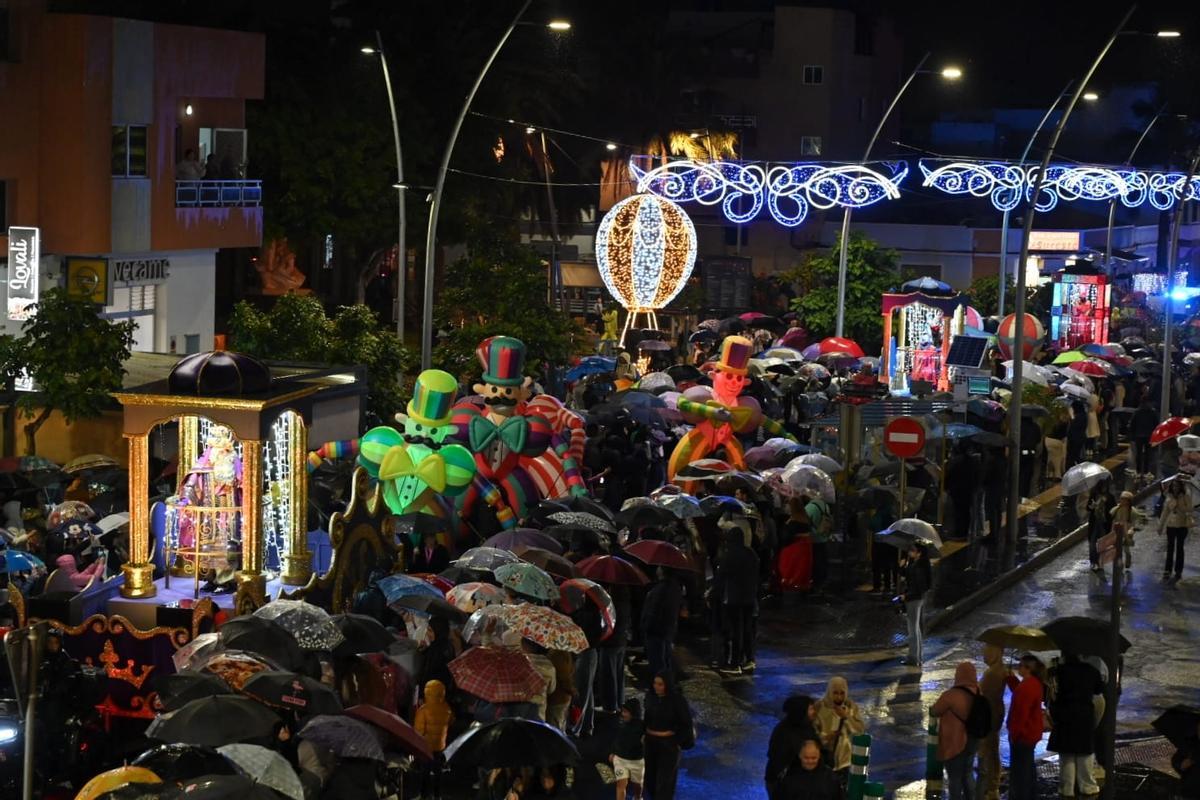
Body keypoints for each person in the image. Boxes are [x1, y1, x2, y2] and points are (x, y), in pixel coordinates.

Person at [1047, 652, 1105, 799]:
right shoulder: (1091, 670)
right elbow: (1099, 689)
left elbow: (1050, 693)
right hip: (1084, 716)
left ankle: (1067, 788)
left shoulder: (1057, 671)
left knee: (1067, 754)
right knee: (1084, 752)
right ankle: (1088, 786)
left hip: (1064, 715)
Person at [713, 523, 759, 675]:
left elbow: (720, 578)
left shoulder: (729, 555)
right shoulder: (751, 554)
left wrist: (714, 594)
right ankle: (750, 660)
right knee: (747, 629)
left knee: (735, 631)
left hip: (733, 598)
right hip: (750, 597)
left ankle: (735, 663)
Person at [930, 661, 981, 800]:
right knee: (968, 773)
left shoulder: (951, 695)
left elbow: (935, 711)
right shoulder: (979, 692)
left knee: (955, 778)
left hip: (955, 742)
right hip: (973, 740)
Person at [643, 672, 693, 800]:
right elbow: (646, 718)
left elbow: (686, 724)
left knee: (665, 782)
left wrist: (676, 741)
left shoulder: (677, 701)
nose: (656, 687)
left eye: (660, 684)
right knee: (650, 778)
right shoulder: (650, 697)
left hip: (668, 745)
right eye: (655, 683)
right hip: (651, 743)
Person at [1005, 654, 1047, 800]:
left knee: (1020, 772)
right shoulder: (1033, 683)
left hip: (1023, 735)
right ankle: (1030, 795)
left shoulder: (1027, 687)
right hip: (1031, 733)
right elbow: (1019, 692)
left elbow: (1021, 714)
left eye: (1020, 665)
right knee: (1028, 767)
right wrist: (1011, 679)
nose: (1018, 667)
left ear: (1027, 668)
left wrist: (1014, 735)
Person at [765, 695, 818, 800]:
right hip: (784, 786)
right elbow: (778, 762)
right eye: (811, 709)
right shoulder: (783, 733)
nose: (814, 712)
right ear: (801, 711)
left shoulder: (806, 726)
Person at [812, 676, 865, 774]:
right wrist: (826, 737)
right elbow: (811, 733)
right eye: (835, 693)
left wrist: (846, 717)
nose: (839, 697)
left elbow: (859, 730)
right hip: (822, 760)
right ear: (829, 692)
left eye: (842, 693)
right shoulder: (819, 707)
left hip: (844, 762)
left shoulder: (851, 707)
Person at [414, 679, 453, 800]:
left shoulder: (423, 710)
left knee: (425, 772)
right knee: (438, 773)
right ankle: (437, 795)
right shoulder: (447, 708)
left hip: (426, 747)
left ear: (427, 692)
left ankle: (424, 795)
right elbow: (451, 721)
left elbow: (418, 731)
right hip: (440, 746)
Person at [977, 644, 1007, 800]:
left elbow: (981, 693)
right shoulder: (1002, 670)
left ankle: (990, 786)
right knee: (992, 748)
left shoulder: (991, 673)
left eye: (987, 651)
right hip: (996, 713)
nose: (984, 654)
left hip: (989, 715)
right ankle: (992, 783)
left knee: (988, 750)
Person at [641, 568, 683, 681]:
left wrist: (646, 627)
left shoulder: (660, 589)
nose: (657, 568)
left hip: (656, 631)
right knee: (665, 660)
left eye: (659, 566)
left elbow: (654, 611)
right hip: (668, 630)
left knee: (657, 663)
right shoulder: (675, 588)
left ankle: (660, 690)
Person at [901, 543, 931, 667]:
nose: (910, 552)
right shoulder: (917, 564)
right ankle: (917, 656)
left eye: (913, 550)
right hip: (917, 599)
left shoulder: (919, 567)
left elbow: (918, 587)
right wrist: (902, 567)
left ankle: (913, 658)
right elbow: (908, 576)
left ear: (919, 553)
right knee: (916, 628)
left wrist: (906, 596)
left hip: (914, 600)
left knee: (912, 629)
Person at [610, 698, 646, 800]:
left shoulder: (642, 726)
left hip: (637, 761)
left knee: (637, 786)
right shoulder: (622, 724)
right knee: (620, 785)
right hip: (620, 759)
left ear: (633, 713)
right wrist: (613, 752)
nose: (622, 714)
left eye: (625, 712)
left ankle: (638, 797)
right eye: (623, 711)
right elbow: (617, 739)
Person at [1159, 476, 1192, 582]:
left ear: (1180, 486)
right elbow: (1165, 512)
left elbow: (1190, 509)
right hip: (1171, 525)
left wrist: (1179, 507)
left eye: (1177, 486)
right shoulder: (1168, 496)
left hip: (1182, 525)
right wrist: (1160, 526)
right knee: (1170, 548)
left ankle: (1178, 570)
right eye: (1173, 486)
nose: (1175, 488)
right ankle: (1167, 570)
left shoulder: (1186, 495)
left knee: (1180, 548)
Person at [1110, 490, 1141, 575]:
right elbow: (1113, 519)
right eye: (1122, 499)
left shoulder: (1132, 511)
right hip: (1118, 530)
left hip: (1127, 531)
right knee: (1117, 549)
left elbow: (1135, 522)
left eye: (1125, 500)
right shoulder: (1116, 509)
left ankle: (1128, 558)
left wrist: (1132, 529)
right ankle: (1120, 564)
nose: (1122, 501)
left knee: (1126, 549)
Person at [1130, 397, 1159, 477]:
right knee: (1148, 454)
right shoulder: (1152, 412)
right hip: (1149, 436)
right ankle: (1146, 472)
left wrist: (1132, 436)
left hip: (1138, 435)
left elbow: (1133, 424)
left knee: (1138, 454)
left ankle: (1138, 471)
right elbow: (1156, 424)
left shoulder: (1137, 412)